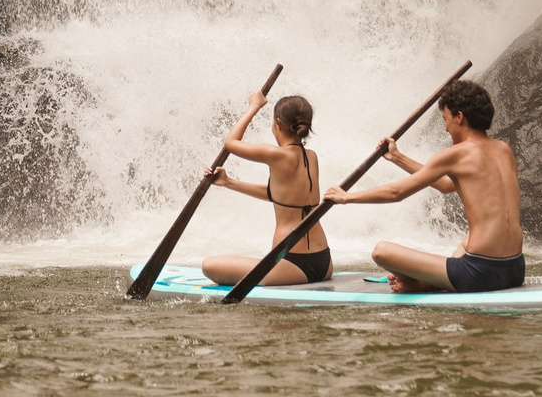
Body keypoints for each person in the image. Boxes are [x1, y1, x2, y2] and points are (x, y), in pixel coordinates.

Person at [322, 78, 524, 294]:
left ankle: (427, 283)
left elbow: (396, 192)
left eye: (445, 119)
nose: (446, 127)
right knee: (471, 237)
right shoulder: (504, 150)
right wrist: (398, 158)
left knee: (381, 252)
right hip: (515, 269)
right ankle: (430, 281)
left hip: (479, 273)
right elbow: (446, 185)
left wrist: (346, 197)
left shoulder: (455, 154)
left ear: (460, 117)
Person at [198, 86, 332, 286]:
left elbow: (231, 143)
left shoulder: (276, 154)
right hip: (323, 262)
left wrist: (254, 106)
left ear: (278, 123)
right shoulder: (311, 157)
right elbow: (280, 197)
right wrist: (229, 182)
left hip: (290, 262)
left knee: (209, 265)